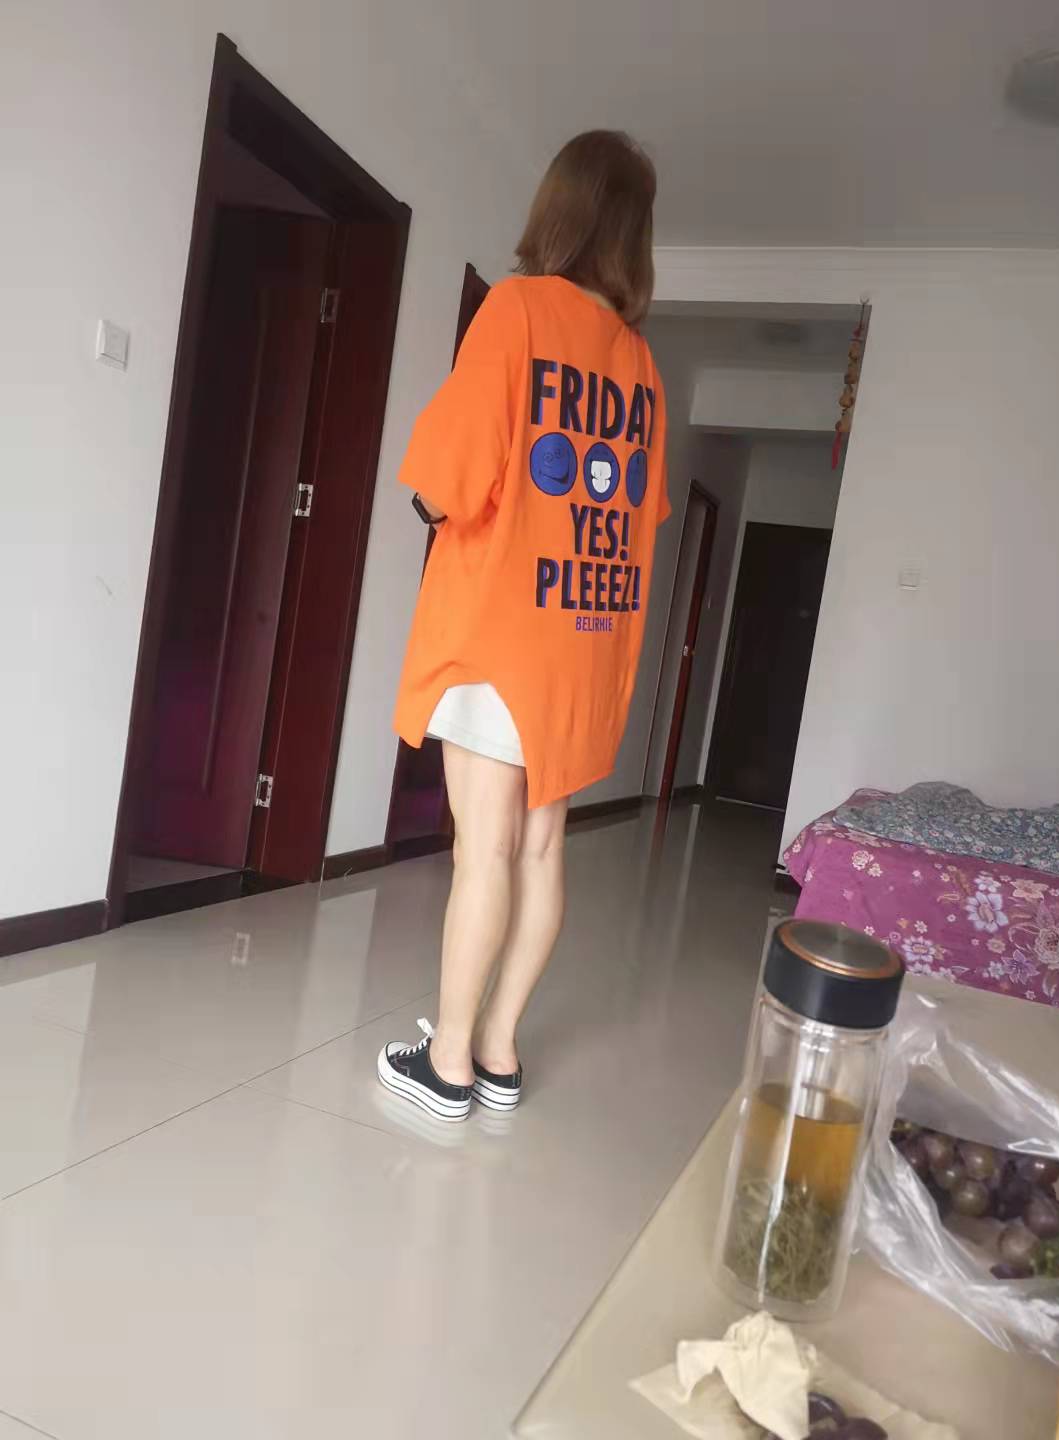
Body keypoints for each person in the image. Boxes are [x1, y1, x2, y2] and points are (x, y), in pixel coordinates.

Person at [378, 130, 669, 1122]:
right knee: (541, 852)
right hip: (582, 645)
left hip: (501, 636)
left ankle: (448, 1064)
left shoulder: (518, 309)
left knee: (483, 852)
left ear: (560, 209)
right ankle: (499, 1047)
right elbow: (639, 513)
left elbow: (445, 486)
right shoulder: (640, 367)